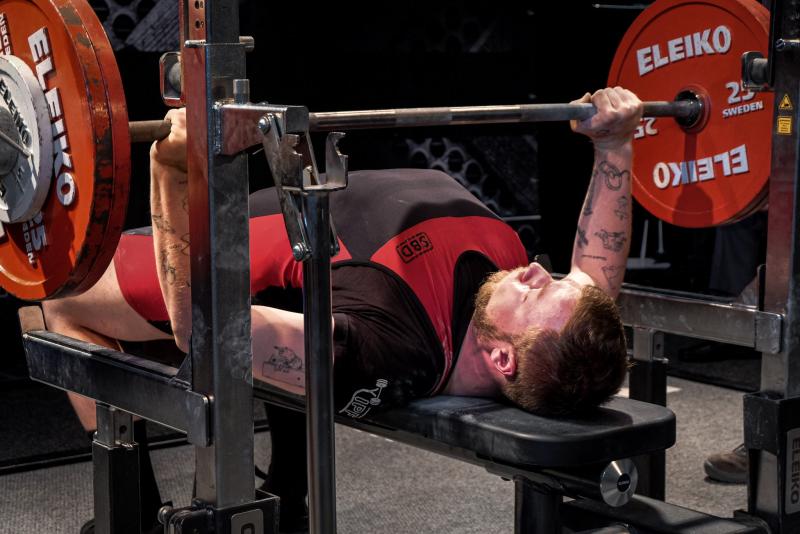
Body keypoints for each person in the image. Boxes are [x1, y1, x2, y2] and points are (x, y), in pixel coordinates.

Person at [42, 87, 642, 532]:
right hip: (315, 253)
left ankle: (134, 516)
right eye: (552, 280)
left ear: (503, 359)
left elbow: (204, 330)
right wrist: (615, 144)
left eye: (537, 291)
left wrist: (175, 169)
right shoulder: (543, 326)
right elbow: (593, 279)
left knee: (57, 297)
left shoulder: (392, 347)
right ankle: (289, 496)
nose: (536, 270)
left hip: (247, 242)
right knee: (296, 332)